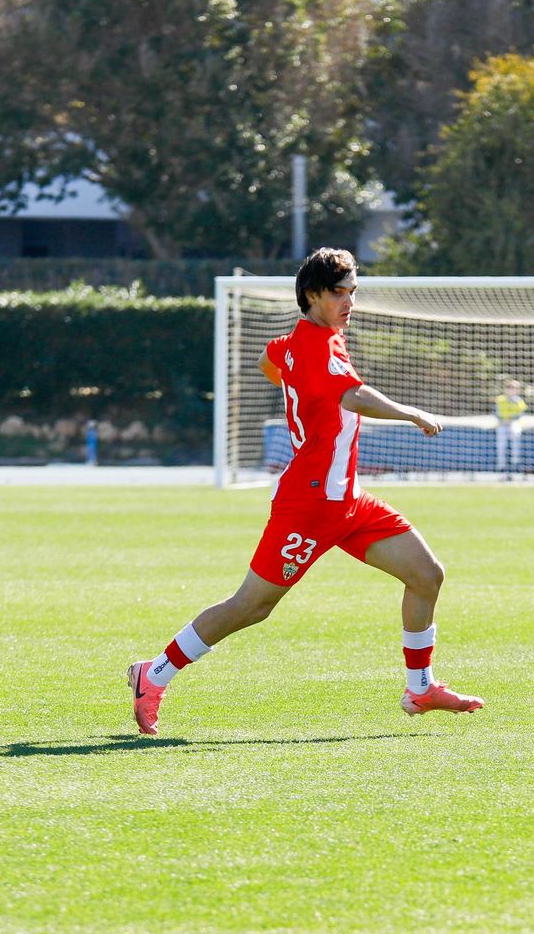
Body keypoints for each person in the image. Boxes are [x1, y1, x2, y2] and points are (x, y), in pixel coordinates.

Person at [126, 248, 484, 735]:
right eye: (339, 292)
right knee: (252, 606)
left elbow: (268, 361)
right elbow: (352, 394)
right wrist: (411, 413)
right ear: (312, 294)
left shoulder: (297, 342)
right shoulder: (318, 346)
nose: (349, 301)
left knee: (426, 574)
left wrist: (300, 390)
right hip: (310, 504)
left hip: (348, 500)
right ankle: (154, 673)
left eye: (353, 291)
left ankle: (420, 687)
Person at [495, 378, 527, 476]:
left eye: (515, 388)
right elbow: (496, 413)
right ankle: (501, 466)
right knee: (501, 443)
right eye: (510, 387)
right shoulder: (500, 399)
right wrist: (503, 420)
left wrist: (511, 420)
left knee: (515, 435)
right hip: (502, 424)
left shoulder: (519, 401)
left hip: (514, 423)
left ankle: (515, 463)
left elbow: (521, 414)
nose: (513, 389)